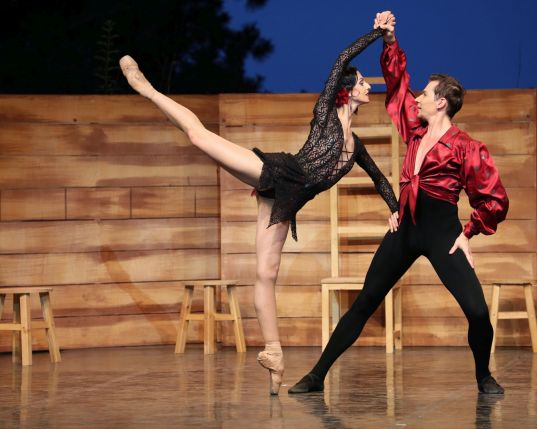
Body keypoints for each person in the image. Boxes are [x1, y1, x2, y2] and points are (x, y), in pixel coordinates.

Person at [119, 20, 399, 395]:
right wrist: (378, 34)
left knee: (266, 274)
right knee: (199, 136)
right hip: (278, 173)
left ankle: (274, 354)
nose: (367, 87)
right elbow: (342, 58)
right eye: (362, 82)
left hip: (287, 200)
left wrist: (394, 207)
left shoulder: (356, 146)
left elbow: (379, 178)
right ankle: (148, 89)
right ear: (345, 91)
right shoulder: (324, 113)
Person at [289, 11, 509, 395]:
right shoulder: (415, 129)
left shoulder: (466, 147)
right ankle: (316, 375)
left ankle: (483, 377)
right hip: (405, 229)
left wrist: (469, 232)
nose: (418, 97)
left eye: (426, 93)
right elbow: (396, 84)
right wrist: (389, 40)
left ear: (441, 103)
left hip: (443, 234)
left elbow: (494, 199)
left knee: (477, 310)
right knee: (365, 301)